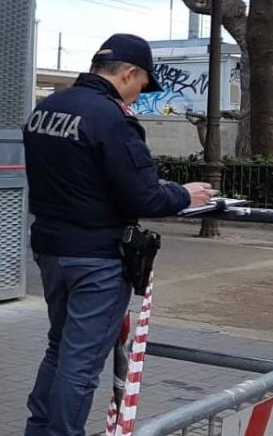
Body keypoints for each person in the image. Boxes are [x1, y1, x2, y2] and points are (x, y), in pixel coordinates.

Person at [22, 33, 213, 436]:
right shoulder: (111, 117)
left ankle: (38, 429)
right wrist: (185, 194)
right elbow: (144, 195)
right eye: (141, 87)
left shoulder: (48, 108)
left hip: (51, 248)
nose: (139, 97)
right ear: (128, 73)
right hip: (97, 257)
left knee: (59, 348)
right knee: (81, 362)